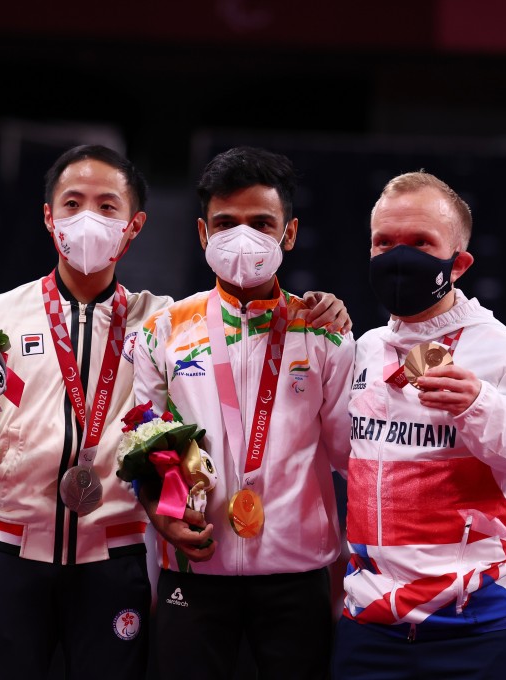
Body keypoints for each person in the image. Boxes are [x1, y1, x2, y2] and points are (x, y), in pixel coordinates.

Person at [0, 144, 351, 680]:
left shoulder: (160, 320)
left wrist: (326, 308)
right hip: (13, 550)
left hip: (114, 559)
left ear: (134, 225)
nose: (88, 219)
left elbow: (240, 325)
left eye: (107, 206)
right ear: (49, 217)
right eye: (73, 203)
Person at [331, 171, 506, 680]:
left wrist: (479, 404)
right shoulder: (364, 350)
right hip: (370, 626)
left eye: (421, 242)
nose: (399, 256)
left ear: (458, 263)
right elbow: (343, 455)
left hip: (480, 629)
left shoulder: (503, 351)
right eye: (384, 242)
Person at [132, 146, 355, 680]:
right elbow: (141, 442)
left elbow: (350, 453)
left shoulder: (324, 333)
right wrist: (160, 516)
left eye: (261, 223)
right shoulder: (163, 330)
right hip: (195, 563)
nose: (242, 237)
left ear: (289, 233)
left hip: (297, 573)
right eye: (226, 223)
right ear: (203, 234)